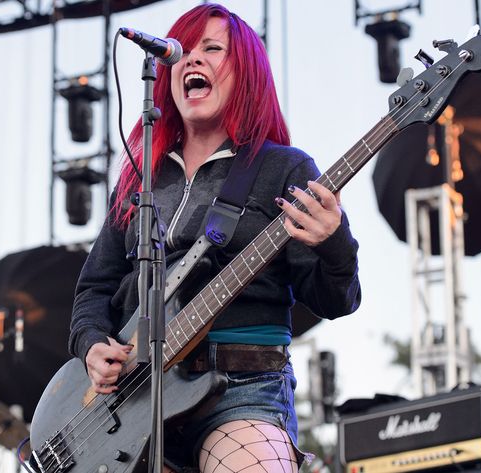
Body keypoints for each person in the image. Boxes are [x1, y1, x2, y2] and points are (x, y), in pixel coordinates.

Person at [68, 4, 361, 472]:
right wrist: (90, 343)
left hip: (241, 387)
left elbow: (335, 299)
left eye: (212, 48)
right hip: (131, 402)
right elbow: (94, 289)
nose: (192, 60)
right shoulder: (139, 178)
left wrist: (334, 242)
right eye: (183, 51)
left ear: (244, 72)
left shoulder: (284, 169)